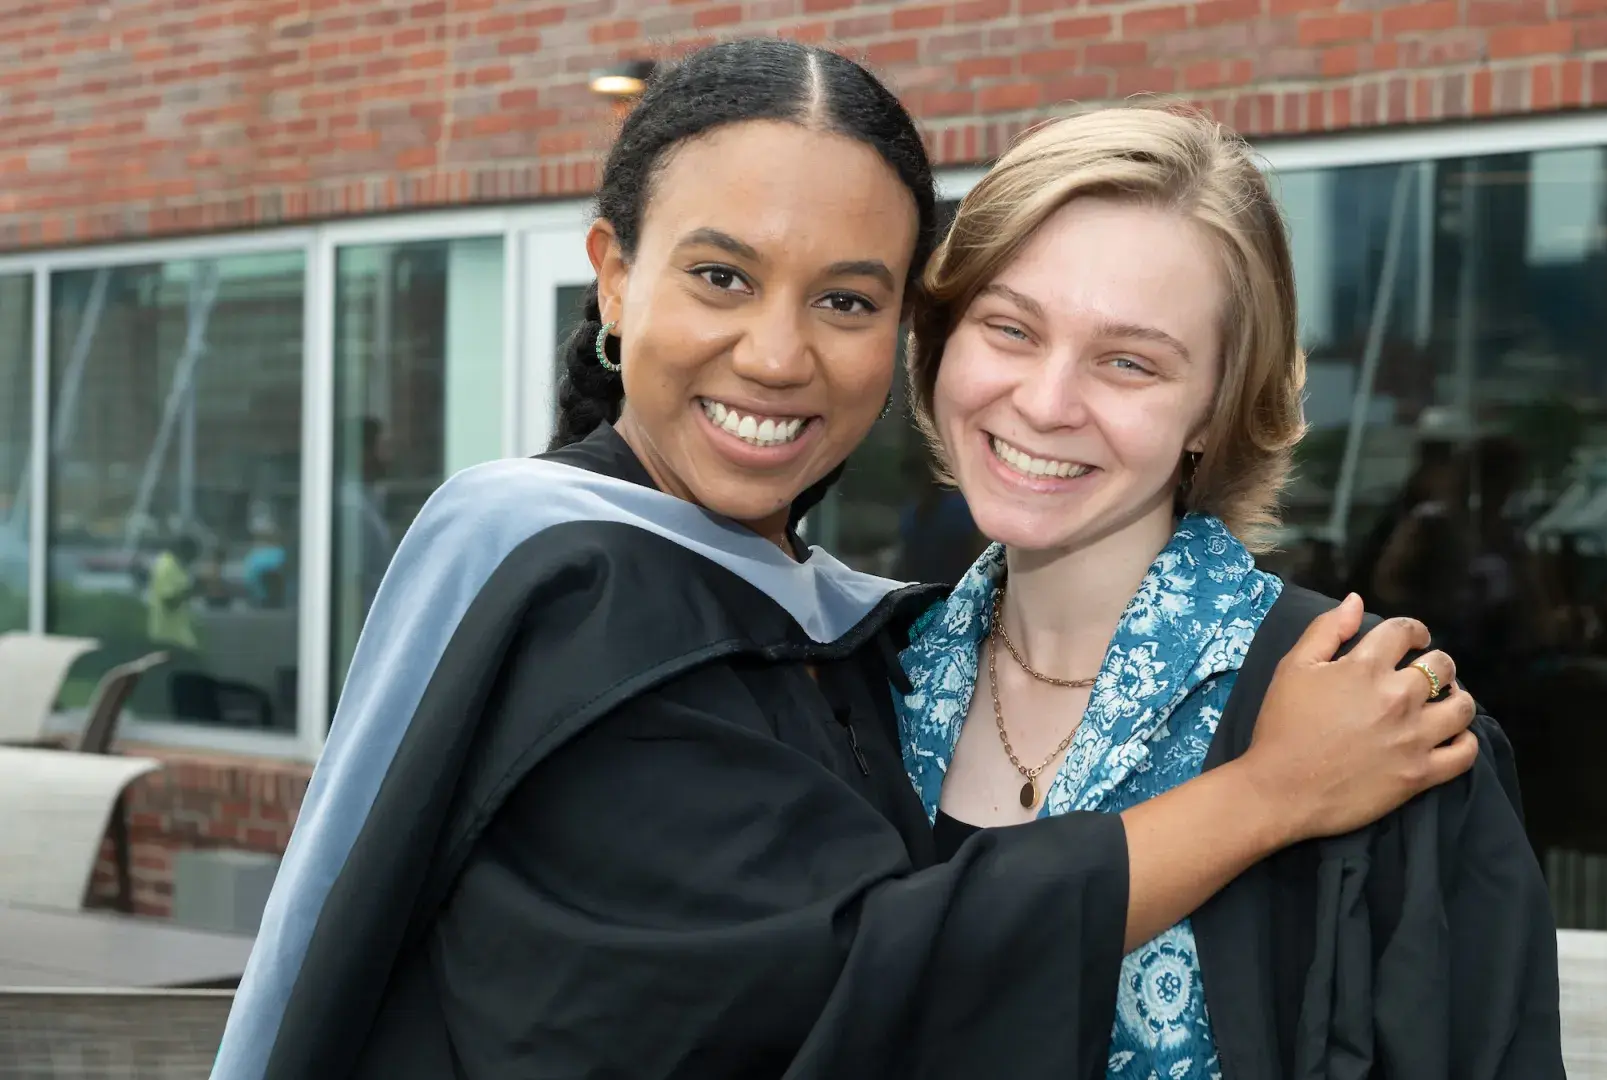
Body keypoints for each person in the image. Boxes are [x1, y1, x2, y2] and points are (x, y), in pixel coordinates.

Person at [212, 41, 1479, 1080]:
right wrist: (1266, 797)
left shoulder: (1354, 715)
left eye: (846, 300)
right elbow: (845, 981)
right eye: (719, 275)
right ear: (611, 278)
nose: (776, 354)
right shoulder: (574, 601)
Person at [897, 107, 1563, 1078]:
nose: (1045, 401)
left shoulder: (1380, 722)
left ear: (1215, 406)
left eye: (1129, 361)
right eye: (1009, 327)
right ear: (944, 340)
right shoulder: (864, 687)